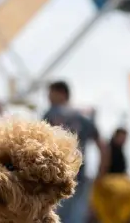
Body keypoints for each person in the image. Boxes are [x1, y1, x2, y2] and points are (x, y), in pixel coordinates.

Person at [43, 81, 110, 223]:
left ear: (61, 93)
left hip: (53, 178)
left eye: (50, 94)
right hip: (79, 177)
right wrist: (100, 175)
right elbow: (103, 147)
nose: (48, 98)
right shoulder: (84, 117)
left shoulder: (51, 113)